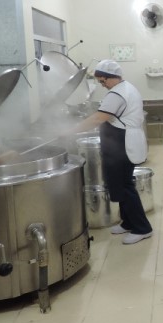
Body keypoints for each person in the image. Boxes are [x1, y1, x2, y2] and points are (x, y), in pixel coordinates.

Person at [66, 59, 152, 245]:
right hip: (124, 142)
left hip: (123, 144)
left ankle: (142, 228)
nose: (102, 84)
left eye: (102, 81)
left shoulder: (117, 94)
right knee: (121, 184)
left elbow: (98, 118)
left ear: (112, 77)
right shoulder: (126, 88)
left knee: (125, 186)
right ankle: (128, 222)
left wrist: (71, 131)